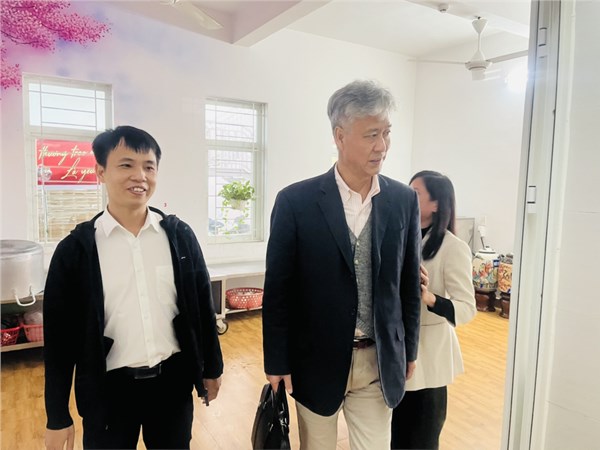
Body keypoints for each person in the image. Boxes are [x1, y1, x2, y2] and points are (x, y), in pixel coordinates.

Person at [262, 80, 422, 450]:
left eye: (386, 133)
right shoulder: (295, 202)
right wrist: (277, 360)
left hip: (377, 359)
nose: (382, 146)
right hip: (315, 360)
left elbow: (408, 284)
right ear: (339, 136)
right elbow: (279, 290)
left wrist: (409, 349)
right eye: (371, 135)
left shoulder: (403, 200)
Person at [43, 126, 224, 450]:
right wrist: (57, 415)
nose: (139, 176)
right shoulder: (76, 251)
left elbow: (201, 307)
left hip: (171, 386)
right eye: (126, 165)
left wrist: (212, 369)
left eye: (149, 167)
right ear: (101, 171)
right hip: (108, 391)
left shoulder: (179, 237)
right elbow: (59, 340)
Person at [391, 170, 476, 449]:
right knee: (393, 436)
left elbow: (466, 308)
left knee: (422, 438)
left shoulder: (453, 248)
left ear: (436, 204)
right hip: (395, 351)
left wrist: (429, 298)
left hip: (430, 356)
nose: (407, 197)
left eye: (415, 193)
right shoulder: (398, 237)